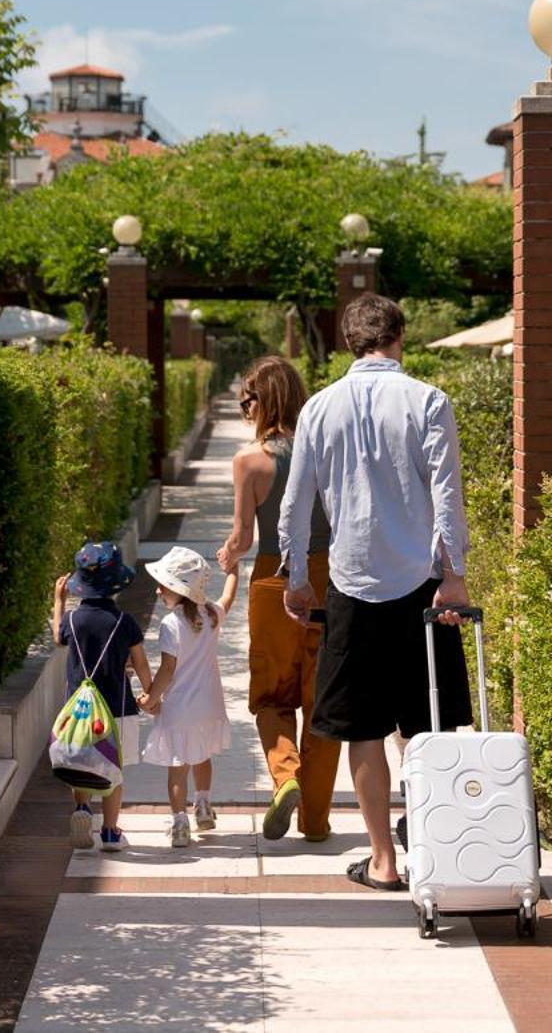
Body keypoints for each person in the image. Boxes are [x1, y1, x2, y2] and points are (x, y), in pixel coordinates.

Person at [279, 294, 472, 891]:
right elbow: (447, 495)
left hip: (350, 585)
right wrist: (455, 573)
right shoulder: (428, 401)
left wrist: (295, 576)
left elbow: (296, 501)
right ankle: (434, 848)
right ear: (399, 338)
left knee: (362, 729)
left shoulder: (318, 408)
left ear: (348, 343)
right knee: (426, 722)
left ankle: (383, 861)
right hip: (420, 584)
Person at [216, 356, 341, 843]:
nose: (245, 410)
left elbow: (243, 538)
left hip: (273, 578)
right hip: (327, 576)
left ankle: (284, 776)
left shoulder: (250, 461)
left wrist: (226, 556)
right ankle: (316, 821)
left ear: (263, 402)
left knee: (271, 693)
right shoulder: (326, 452)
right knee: (321, 699)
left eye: (247, 400)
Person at [53, 541, 152, 853]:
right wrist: (149, 691)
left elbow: (58, 638)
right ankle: (110, 832)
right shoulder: (125, 623)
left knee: (80, 763)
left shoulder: (73, 621)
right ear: (115, 584)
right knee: (114, 771)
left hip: (79, 712)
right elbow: (140, 662)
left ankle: (82, 810)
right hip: (117, 709)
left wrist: (59, 601)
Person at [137, 546, 238, 847]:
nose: (157, 591)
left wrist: (151, 699)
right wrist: (233, 570)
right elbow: (228, 598)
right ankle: (204, 804)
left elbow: (168, 670)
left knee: (178, 768)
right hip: (209, 705)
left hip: (180, 708)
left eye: (163, 586)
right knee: (203, 755)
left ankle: (180, 823)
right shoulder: (210, 615)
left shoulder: (171, 624)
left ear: (180, 591)